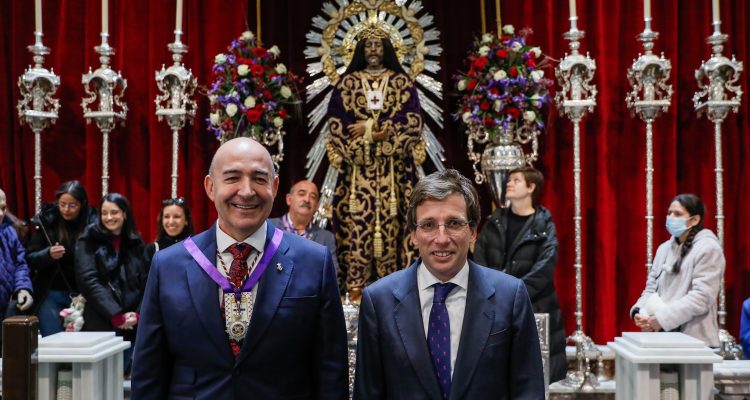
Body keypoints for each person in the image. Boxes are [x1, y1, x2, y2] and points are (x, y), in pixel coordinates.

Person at [131, 137, 348, 399]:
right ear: (210, 187)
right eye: (232, 178)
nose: (246, 191)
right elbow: (149, 372)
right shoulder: (169, 265)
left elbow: (331, 370)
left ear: (274, 187)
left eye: (259, 178)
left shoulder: (313, 261)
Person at [354, 169, 544, 400]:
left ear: (472, 232)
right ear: (413, 234)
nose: (442, 238)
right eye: (428, 225)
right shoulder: (378, 301)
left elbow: (528, 391)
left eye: (454, 223)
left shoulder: (510, 296)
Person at [326, 26, 426, 301]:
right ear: (360, 49)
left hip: (395, 176)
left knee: (396, 227)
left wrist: (374, 130)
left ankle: (394, 290)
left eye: (378, 45)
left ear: (387, 49)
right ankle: (355, 290)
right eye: (368, 45)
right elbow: (337, 124)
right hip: (358, 176)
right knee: (356, 226)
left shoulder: (401, 83)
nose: (373, 50)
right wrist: (368, 139)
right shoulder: (347, 84)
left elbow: (413, 121)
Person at [472, 166, 566, 382]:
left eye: (516, 180)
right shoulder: (495, 220)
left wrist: (515, 293)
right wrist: (494, 291)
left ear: (531, 187)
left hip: (534, 305)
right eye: (509, 180)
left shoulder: (544, 224)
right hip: (494, 305)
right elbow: (479, 258)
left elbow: (545, 266)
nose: (509, 183)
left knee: (534, 375)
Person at [631, 194, 724, 347]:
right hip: (661, 338)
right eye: (669, 213)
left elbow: (702, 297)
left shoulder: (708, 248)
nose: (671, 218)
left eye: (678, 214)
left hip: (695, 341)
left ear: (695, 220)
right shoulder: (664, 249)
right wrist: (640, 312)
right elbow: (651, 288)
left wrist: (662, 319)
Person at [75, 193, 147, 369]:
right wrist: (115, 314)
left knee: (121, 374)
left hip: (130, 322)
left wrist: (137, 314)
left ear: (124, 213)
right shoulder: (88, 239)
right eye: (104, 213)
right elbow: (88, 280)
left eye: (114, 212)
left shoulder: (136, 242)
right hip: (100, 317)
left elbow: (145, 282)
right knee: (100, 375)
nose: (108, 217)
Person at [26, 180, 98, 336]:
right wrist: (47, 254)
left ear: (82, 204)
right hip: (51, 291)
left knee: (82, 342)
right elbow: (30, 258)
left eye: (72, 205)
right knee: (53, 340)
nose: (66, 210)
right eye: (62, 204)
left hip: (84, 294)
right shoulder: (47, 221)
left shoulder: (94, 223)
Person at [270, 179, 338, 271]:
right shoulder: (269, 226)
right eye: (302, 194)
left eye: (313, 197)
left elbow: (331, 273)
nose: (307, 199)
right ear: (289, 199)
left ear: (317, 206)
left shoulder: (326, 237)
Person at [0, 188, 34, 317]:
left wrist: (23, 288)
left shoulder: (10, 232)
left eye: (3, 208)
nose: (1, 214)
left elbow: (20, 264)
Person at [145, 196, 194, 263]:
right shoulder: (152, 250)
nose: (171, 222)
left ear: (186, 220)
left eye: (177, 216)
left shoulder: (195, 248)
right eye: (166, 216)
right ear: (161, 219)